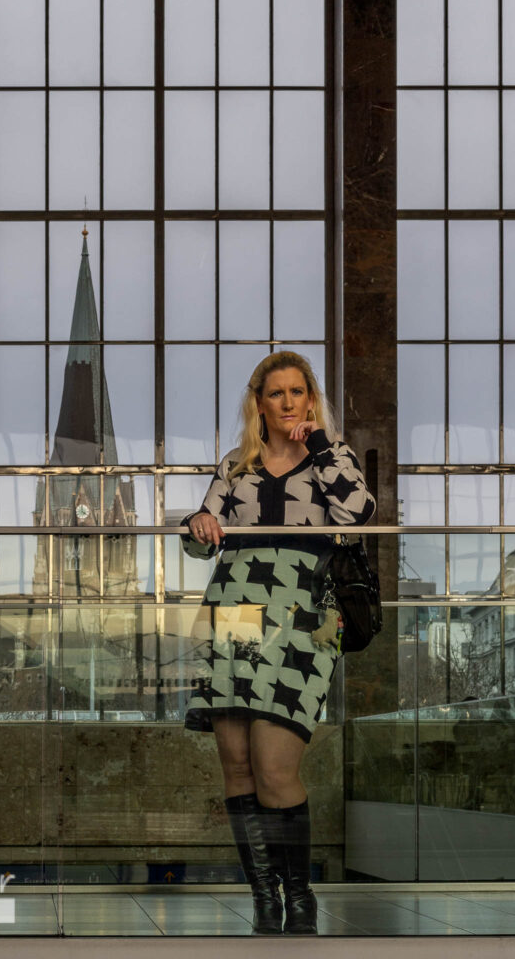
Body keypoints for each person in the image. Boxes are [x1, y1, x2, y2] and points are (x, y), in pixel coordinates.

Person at [182, 351, 375, 935]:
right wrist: (197, 525)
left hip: (300, 615)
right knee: (237, 765)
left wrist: (319, 447)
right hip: (234, 611)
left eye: (298, 393)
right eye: (276, 394)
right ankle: (266, 900)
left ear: (310, 400)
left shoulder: (329, 459)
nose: (288, 403)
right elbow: (199, 543)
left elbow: (359, 512)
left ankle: (300, 897)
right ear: (259, 404)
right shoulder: (235, 467)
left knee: (275, 766)